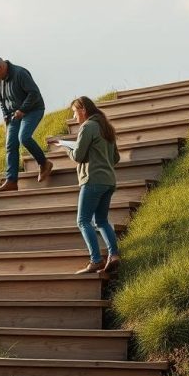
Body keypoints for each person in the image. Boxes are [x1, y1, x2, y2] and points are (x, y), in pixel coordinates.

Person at [56, 96, 121, 274]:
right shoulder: (106, 127)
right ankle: (114, 255)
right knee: (101, 220)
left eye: (75, 112)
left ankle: (96, 260)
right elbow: (116, 158)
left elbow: (78, 156)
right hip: (109, 181)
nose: (75, 117)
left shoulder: (88, 127)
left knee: (83, 220)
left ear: (83, 109)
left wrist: (66, 147)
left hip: (92, 180)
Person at [0, 56, 52, 192]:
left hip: (33, 109)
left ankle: (44, 163)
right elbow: (2, 100)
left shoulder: (20, 73)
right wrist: (5, 116)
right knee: (11, 145)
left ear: (1, 67)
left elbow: (34, 94)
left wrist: (22, 110)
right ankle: (11, 181)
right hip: (13, 115)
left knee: (24, 137)